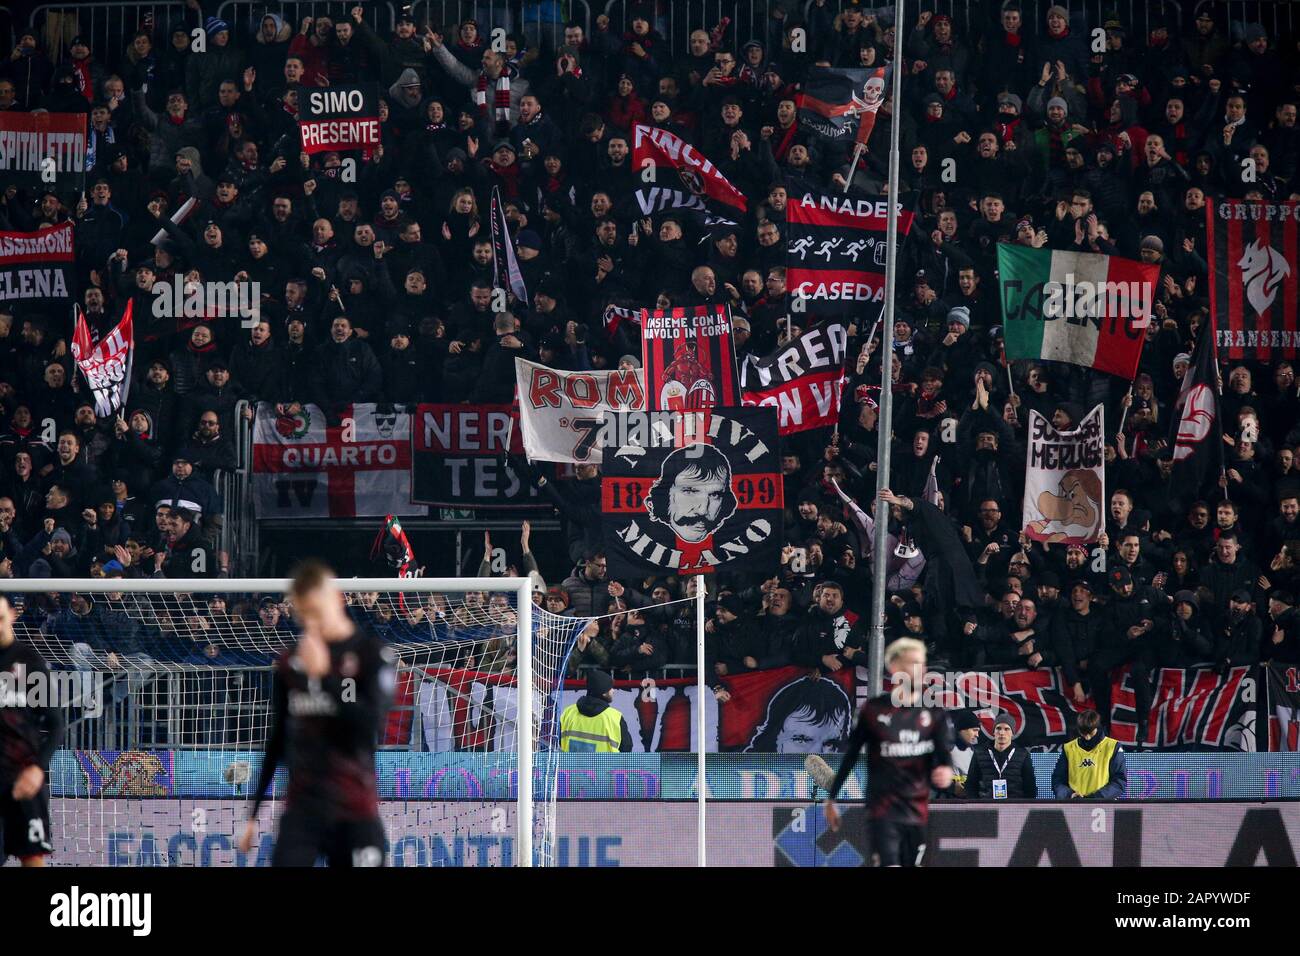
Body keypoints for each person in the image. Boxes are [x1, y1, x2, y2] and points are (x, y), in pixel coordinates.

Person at [238, 560, 397, 866]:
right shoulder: (291, 663)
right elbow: (278, 740)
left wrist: (324, 677)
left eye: (316, 612)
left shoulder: (372, 655)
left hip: (354, 809)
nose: (311, 623)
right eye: (304, 614)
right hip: (303, 809)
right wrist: (253, 814)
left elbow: (368, 729)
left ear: (336, 599)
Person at [823, 638, 954, 867]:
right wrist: (832, 798)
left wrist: (946, 772)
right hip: (882, 811)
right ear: (895, 669)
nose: (920, 670)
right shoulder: (873, 710)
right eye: (913, 663)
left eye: (921, 664)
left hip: (917, 812)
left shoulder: (934, 714)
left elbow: (943, 758)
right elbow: (852, 753)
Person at [0, 595, 65, 866]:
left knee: (32, 857)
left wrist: (38, 768)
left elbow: (55, 723)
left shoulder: (28, 661)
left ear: (13, 614)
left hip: (22, 775)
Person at [1051, 709, 1127, 800]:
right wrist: (1069, 795)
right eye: (1083, 733)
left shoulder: (1113, 746)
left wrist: (1096, 798)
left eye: (1090, 733)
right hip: (1074, 805)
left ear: (1097, 727)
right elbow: (1058, 780)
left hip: (1103, 806)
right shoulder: (1068, 748)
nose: (1087, 737)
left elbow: (1119, 781)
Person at [964, 712, 1038, 800]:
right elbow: (971, 784)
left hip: (1015, 807)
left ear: (1012, 733)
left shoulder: (1022, 754)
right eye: (998, 728)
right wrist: (976, 806)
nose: (1002, 733)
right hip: (986, 807)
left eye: (1007, 729)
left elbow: (1030, 787)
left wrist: (1024, 808)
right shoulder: (979, 753)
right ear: (993, 732)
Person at [558, 669, 632, 752]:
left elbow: (558, 739)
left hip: (570, 764)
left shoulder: (568, 712)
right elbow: (626, 749)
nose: (613, 691)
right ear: (603, 693)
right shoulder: (615, 718)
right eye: (610, 688)